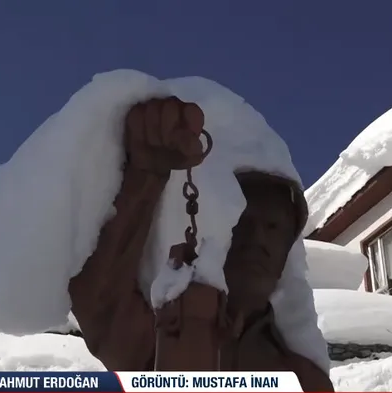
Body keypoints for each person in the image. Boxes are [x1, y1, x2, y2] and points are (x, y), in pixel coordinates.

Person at [67, 97, 334, 391]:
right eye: (243, 221)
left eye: (273, 227)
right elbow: (101, 301)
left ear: (286, 254)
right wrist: (146, 174)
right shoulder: (169, 337)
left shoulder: (304, 380)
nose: (258, 239)